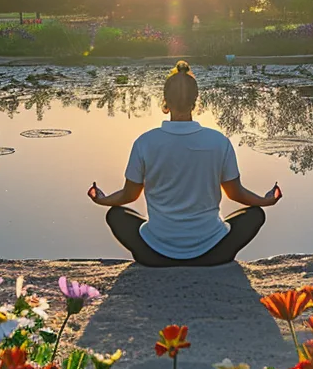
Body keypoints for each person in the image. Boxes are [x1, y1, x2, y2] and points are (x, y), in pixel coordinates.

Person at [87, 61, 282, 267]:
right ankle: (205, 254)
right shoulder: (218, 141)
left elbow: (129, 196)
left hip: (153, 255)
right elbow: (235, 194)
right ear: (195, 101)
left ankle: (163, 251)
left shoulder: (145, 142)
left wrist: (102, 200)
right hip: (215, 253)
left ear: (165, 102)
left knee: (116, 215)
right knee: (255, 214)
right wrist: (265, 201)